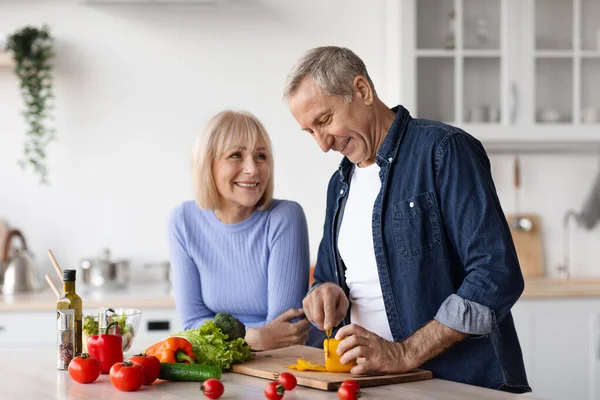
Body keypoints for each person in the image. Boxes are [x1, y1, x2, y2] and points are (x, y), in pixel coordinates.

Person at [283, 46, 531, 393]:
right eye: (310, 131)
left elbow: (496, 274)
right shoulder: (338, 184)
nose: (323, 145)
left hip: (458, 384)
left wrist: (404, 353)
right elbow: (328, 277)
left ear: (362, 91)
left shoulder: (444, 150)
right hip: (376, 384)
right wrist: (325, 292)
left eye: (324, 121)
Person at [167, 110, 311, 351]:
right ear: (207, 165)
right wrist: (251, 338)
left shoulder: (285, 217)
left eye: (261, 156)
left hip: (286, 367)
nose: (252, 169)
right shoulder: (183, 221)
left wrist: (227, 337)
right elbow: (191, 324)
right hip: (232, 367)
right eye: (236, 155)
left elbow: (286, 331)